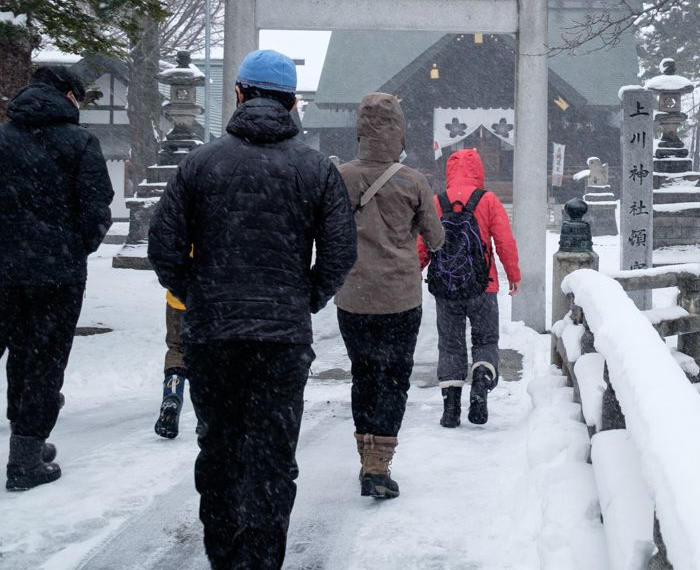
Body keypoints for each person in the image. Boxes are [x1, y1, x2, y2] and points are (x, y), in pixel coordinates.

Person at [148, 49, 356, 569]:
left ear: (239, 93)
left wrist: (198, 295)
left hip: (214, 334)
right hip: (281, 337)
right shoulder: (315, 169)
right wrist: (304, 296)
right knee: (272, 458)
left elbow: (164, 245)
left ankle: (224, 556)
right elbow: (339, 251)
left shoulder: (200, 163)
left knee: (218, 451)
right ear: (292, 103)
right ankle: (262, 560)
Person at [0, 65, 113, 491]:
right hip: (56, 275)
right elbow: (97, 207)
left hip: (2, 269)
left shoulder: (2, 139)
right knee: (41, 360)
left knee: (14, 354)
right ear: (69, 96)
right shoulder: (80, 143)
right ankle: (26, 454)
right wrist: (71, 249)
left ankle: (26, 444)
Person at [334, 93, 443, 499]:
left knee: (363, 373)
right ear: (398, 130)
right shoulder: (413, 180)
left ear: (360, 131)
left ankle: (365, 455)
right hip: (400, 296)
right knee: (395, 377)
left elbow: (326, 232)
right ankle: (379, 465)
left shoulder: (340, 177)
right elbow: (436, 237)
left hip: (353, 296)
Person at [421, 148, 520, 428]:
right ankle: (481, 381)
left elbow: (424, 241)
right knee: (485, 340)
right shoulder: (487, 200)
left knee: (450, 345)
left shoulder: (437, 202)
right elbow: (504, 241)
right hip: (483, 285)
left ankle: (451, 408)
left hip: (446, 287)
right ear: (479, 170)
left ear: (449, 173)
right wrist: (513, 274)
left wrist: (415, 268)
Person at [153, 289, 187, 439]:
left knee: (177, 348)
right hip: (214, 299)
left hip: (178, 298)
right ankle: (209, 413)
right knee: (210, 349)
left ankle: (173, 394)